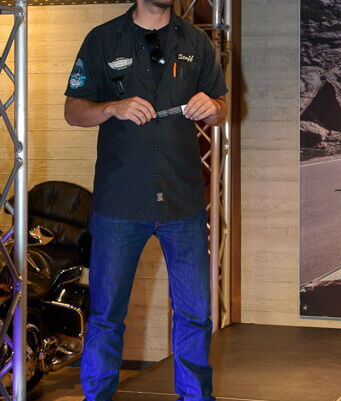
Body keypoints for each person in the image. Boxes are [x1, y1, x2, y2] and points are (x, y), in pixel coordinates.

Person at [64, 1, 228, 400]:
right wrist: (112, 108)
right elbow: (73, 111)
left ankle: (196, 396)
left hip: (183, 202)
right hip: (120, 203)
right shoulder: (103, 39)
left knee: (194, 315)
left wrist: (213, 108)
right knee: (106, 315)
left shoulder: (196, 42)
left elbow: (222, 109)